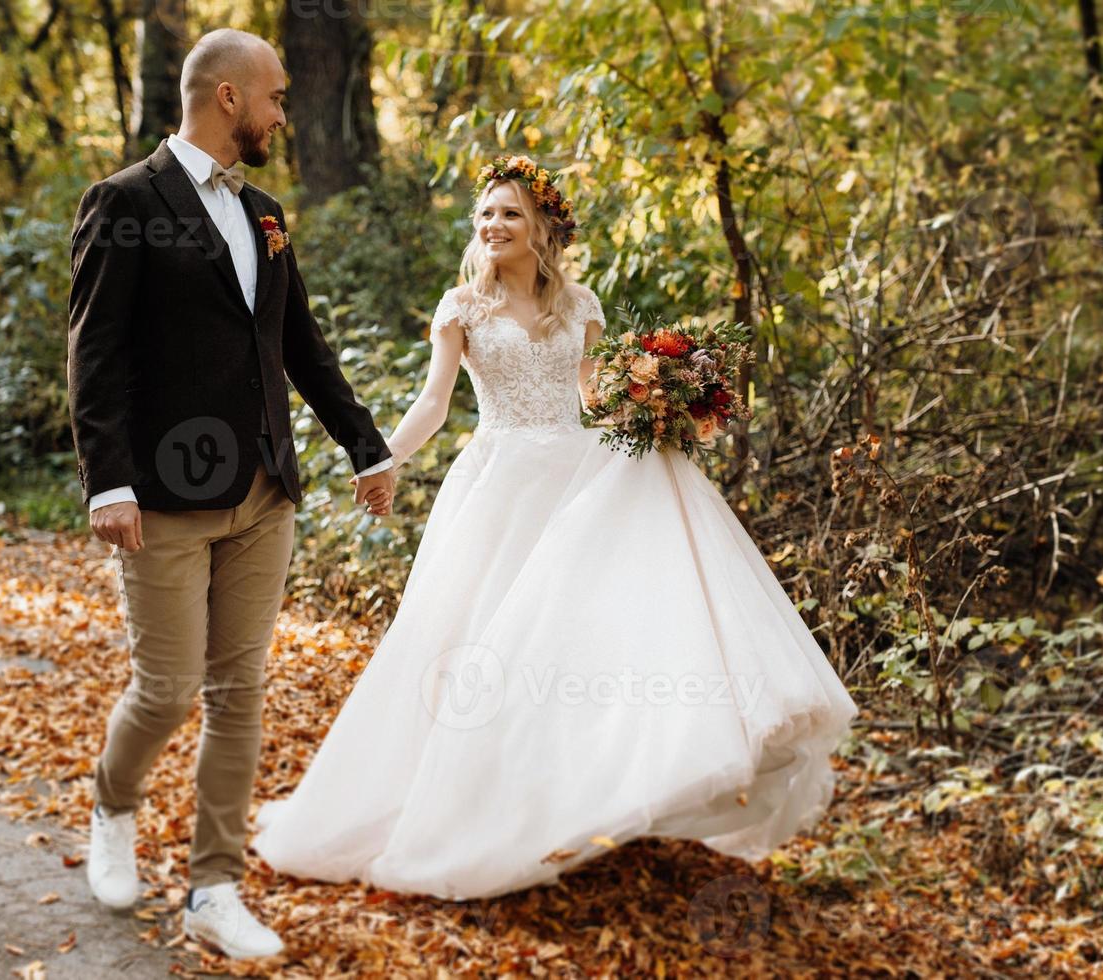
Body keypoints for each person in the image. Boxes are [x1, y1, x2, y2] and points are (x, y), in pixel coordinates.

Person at [249, 156, 859, 900]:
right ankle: (475, 808)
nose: (492, 225)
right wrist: (383, 459)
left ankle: (575, 798)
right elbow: (436, 403)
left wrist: (656, 408)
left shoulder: (581, 305)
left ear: (541, 227)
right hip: (500, 483)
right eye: (484, 215)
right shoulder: (461, 307)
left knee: (575, 645)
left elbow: (594, 396)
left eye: (508, 213)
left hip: (579, 482)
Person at [66, 29, 396, 959]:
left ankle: (214, 888)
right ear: (226, 98)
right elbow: (94, 356)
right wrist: (109, 482)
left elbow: (300, 343)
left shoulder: (265, 213)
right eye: (276, 98)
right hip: (162, 499)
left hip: (265, 494)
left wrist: (364, 446)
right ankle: (112, 803)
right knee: (167, 689)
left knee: (239, 692)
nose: (284, 113)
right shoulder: (123, 203)